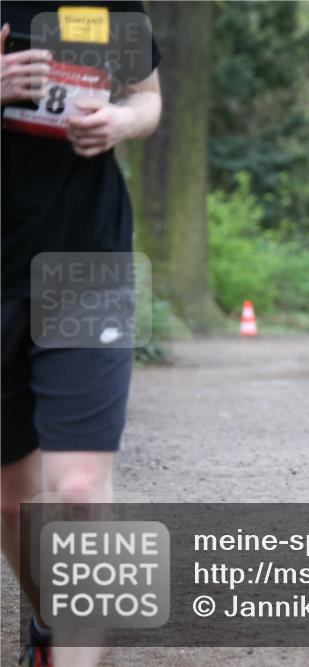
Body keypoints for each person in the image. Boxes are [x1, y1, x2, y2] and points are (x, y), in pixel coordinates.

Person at [0, 3, 161, 665]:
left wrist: (125, 119)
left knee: (78, 487)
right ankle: (45, 614)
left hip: (86, 261)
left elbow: (148, 98)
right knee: (13, 502)